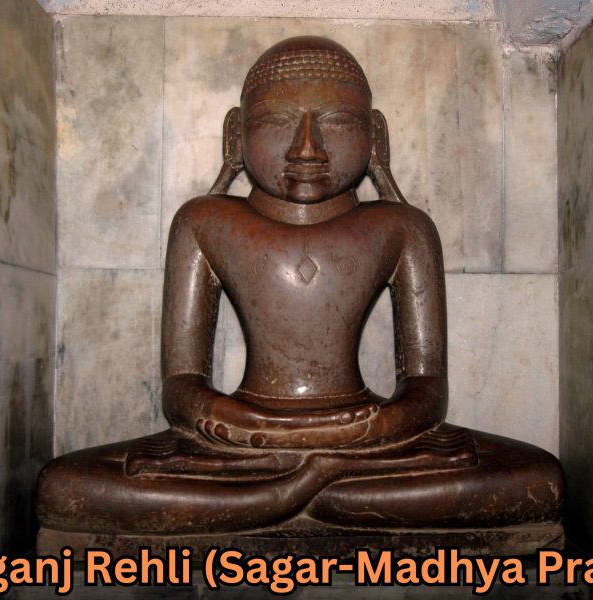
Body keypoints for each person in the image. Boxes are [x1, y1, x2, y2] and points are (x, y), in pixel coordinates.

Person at [37, 36, 563, 549]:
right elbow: (181, 387)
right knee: (65, 487)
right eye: (275, 122)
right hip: (243, 443)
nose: (306, 147)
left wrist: (368, 428)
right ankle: (308, 490)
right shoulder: (203, 222)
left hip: (366, 444)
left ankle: (285, 497)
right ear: (235, 135)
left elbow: (426, 391)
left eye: (336, 122)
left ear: (375, 138)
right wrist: (242, 423)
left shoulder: (403, 228)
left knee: (536, 479)